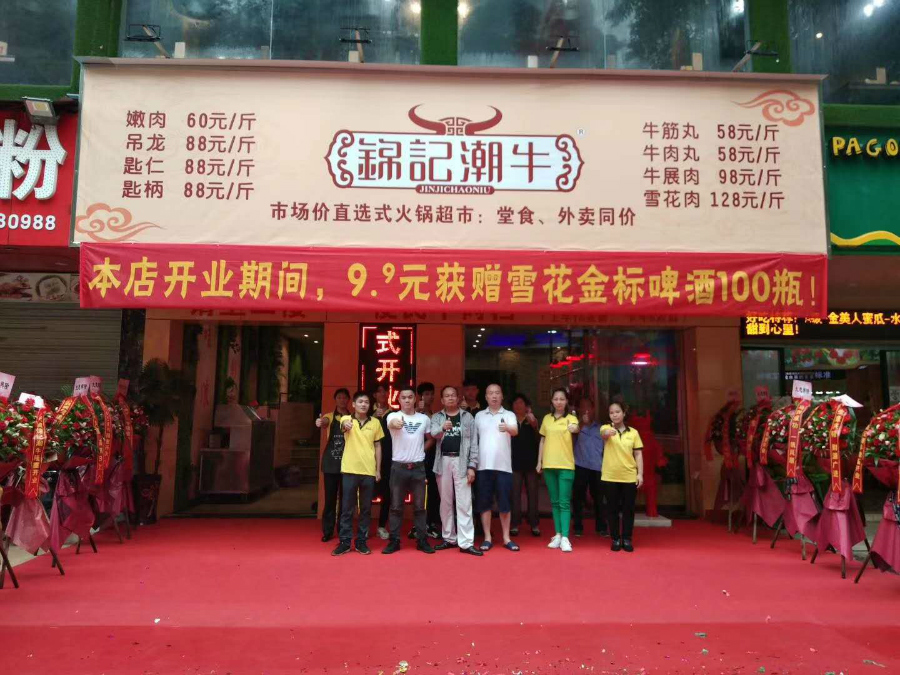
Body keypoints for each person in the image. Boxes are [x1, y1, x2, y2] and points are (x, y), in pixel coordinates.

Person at [430, 385, 482, 556]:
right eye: (447, 396)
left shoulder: (467, 417)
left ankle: (466, 542)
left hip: (462, 462)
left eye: (453, 395)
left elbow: (474, 443)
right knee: (445, 502)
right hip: (443, 461)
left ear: (458, 398)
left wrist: (472, 466)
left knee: (464, 502)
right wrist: (442, 428)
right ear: (442, 400)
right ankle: (449, 538)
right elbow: (433, 434)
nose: (450, 398)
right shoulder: (437, 417)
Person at [383, 386, 435, 554]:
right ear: (399, 400)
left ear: (415, 399)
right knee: (396, 507)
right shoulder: (393, 416)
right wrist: (396, 424)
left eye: (410, 397)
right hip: (398, 467)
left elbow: (430, 438)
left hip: (418, 467)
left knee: (420, 507)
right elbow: (392, 423)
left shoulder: (424, 419)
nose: (407, 400)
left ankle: (422, 540)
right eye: (403, 397)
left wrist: (421, 450)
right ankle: (394, 541)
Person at [332, 391, 383, 556]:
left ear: (370, 405)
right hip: (349, 470)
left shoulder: (375, 422)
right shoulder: (346, 419)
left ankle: (361, 541)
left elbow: (378, 446)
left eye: (366, 402)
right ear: (353, 404)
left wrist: (378, 469)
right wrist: (346, 426)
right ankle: (345, 542)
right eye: (360, 402)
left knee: (366, 509)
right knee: (347, 509)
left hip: (368, 471)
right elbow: (343, 427)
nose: (363, 404)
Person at [474, 383, 519, 552]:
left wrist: (507, 428)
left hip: (503, 467)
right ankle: (487, 537)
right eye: (491, 393)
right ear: (486, 397)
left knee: (504, 504)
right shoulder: (479, 416)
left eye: (497, 393)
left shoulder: (509, 415)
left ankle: (507, 538)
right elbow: (473, 440)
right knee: (484, 503)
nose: (494, 396)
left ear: (502, 396)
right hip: (483, 466)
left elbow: (515, 431)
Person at [537, 388, 579, 553]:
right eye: (556, 399)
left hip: (566, 465)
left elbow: (576, 428)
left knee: (564, 502)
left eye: (562, 399)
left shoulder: (571, 418)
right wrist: (539, 461)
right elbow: (542, 440)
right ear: (552, 401)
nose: (559, 402)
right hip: (549, 465)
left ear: (566, 401)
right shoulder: (547, 418)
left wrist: (574, 428)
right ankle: (558, 534)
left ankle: (566, 537)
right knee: (554, 502)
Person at [601, 400, 644, 553]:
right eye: (611, 412)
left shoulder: (633, 433)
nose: (614, 415)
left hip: (629, 476)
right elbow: (604, 434)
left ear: (624, 413)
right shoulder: (605, 428)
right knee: (612, 509)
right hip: (610, 476)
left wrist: (640, 474)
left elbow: (638, 454)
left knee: (628, 509)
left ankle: (626, 538)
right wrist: (609, 432)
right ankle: (615, 538)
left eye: (617, 412)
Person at [316, 388, 350, 542]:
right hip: (331, 463)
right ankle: (328, 530)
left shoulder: (352, 418)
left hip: (348, 464)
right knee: (330, 499)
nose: (342, 400)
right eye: (339, 397)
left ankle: (343, 529)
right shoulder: (329, 416)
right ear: (335, 400)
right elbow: (324, 422)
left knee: (345, 500)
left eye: (344, 397)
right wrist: (320, 422)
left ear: (348, 400)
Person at [572, 397, 608, 537]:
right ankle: (578, 527)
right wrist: (582, 422)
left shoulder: (601, 428)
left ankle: (601, 527)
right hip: (580, 465)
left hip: (597, 467)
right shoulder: (576, 426)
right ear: (579, 409)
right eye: (583, 406)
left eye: (588, 407)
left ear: (593, 409)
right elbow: (572, 436)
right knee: (578, 498)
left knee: (599, 498)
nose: (586, 409)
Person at [510, 393, 540, 538]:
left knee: (533, 494)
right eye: (515, 403)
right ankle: (515, 524)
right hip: (514, 462)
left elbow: (539, 437)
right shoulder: (509, 419)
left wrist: (534, 423)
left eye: (521, 403)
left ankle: (534, 524)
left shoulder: (532, 419)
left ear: (526, 405)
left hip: (531, 462)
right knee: (514, 494)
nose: (518, 405)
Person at [416, 381, 441, 539]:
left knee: (432, 492)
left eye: (431, 394)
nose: (429, 397)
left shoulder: (435, 414)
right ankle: (418, 525)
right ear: (420, 397)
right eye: (426, 394)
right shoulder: (415, 414)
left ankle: (431, 523)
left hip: (432, 457)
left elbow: (435, 434)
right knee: (418, 492)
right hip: (417, 458)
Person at [372, 383, 393, 539]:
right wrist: (373, 417)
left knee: (387, 495)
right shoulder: (367, 413)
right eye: (379, 391)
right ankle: (364, 527)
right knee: (367, 495)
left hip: (389, 459)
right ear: (374, 395)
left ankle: (381, 526)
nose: (383, 394)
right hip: (369, 460)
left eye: (385, 391)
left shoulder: (395, 414)